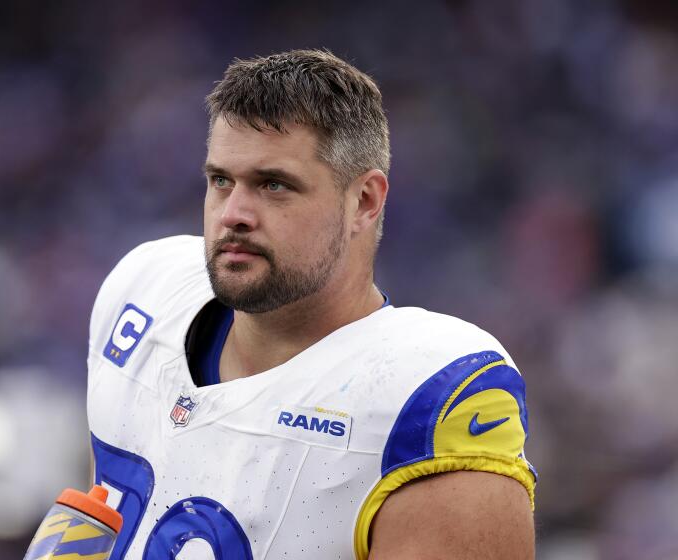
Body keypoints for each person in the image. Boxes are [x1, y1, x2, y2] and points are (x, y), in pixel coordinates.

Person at [86, 49, 535, 559]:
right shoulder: (145, 294)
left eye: (273, 185)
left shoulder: (421, 394)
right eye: (221, 181)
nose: (233, 214)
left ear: (364, 200)